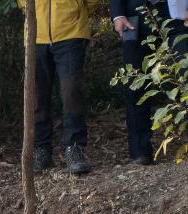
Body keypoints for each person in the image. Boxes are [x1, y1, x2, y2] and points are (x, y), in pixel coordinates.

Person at [112, 1, 188, 165]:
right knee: (135, 83)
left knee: (186, 73)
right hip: (133, 18)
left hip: (176, 15)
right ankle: (140, 151)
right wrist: (118, 14)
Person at [26, 0, 94, 175]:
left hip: (71, 32)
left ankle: (75, 148)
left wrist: (75, 10)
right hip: (36, 34)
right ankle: (41, 150)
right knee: (37, 96)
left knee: (71, 92)